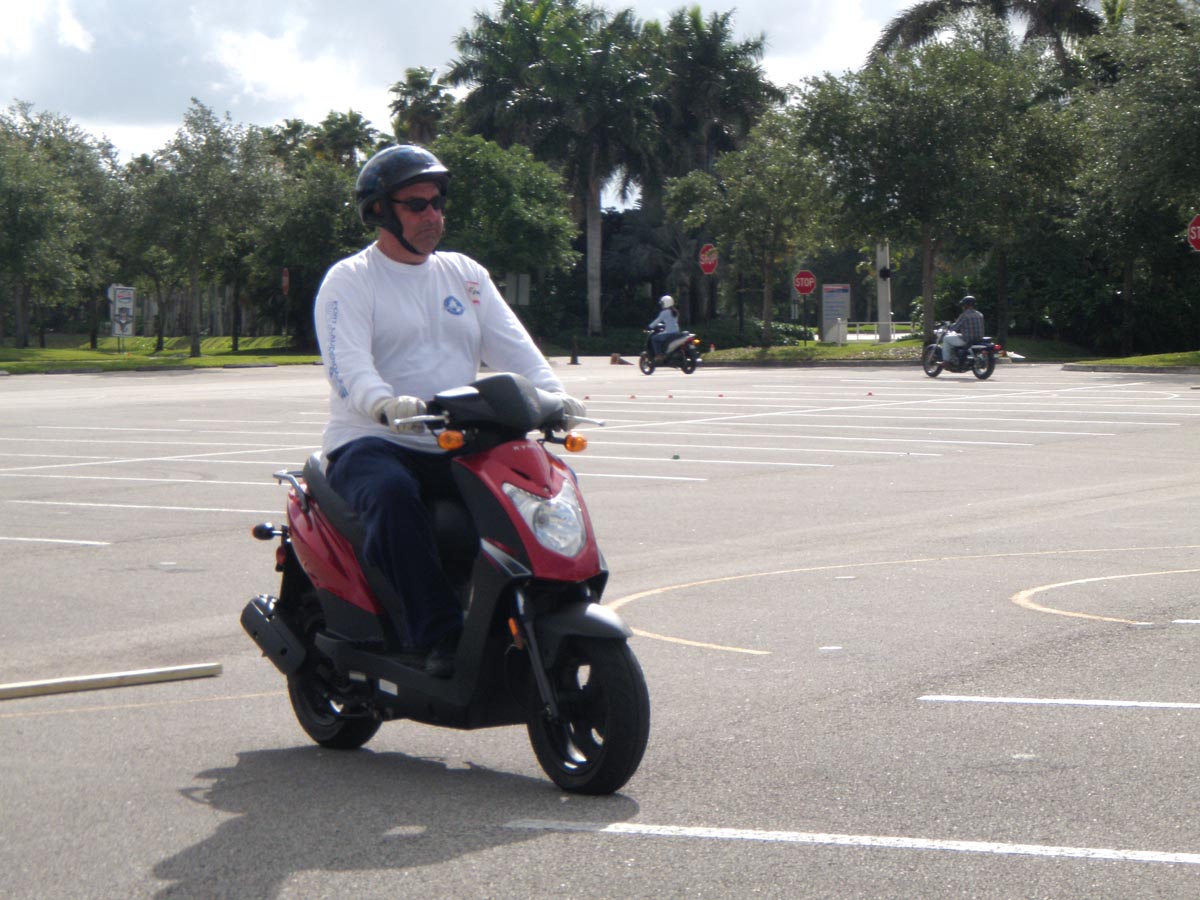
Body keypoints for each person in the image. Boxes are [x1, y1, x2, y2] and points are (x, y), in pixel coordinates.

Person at [313, 144, 586, 678]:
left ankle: (541, 607)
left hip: (456, 439)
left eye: (437, 203)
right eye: (417, 205)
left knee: (540, 483)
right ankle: (436, 637)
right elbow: (346, 365)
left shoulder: (465, 274)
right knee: (393, 496)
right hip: (373, 440)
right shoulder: (351, 278)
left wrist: (553, 397)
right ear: (379, 211)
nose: (432, 215)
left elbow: (515, 349)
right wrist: (383, 404)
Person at [940, 295, 985, 364]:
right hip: (978, 339)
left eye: (963, 305)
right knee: (958, 335)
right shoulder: (980, 314)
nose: (962, 307)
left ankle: (946, 361)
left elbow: (955, 327)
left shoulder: (964, 315)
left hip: (967, 339)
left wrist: (949, 327)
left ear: (966, 305)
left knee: (946, 338)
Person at [647, 295, 681, 360]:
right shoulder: (675, 312)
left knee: (654, 338)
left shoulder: (664, 313)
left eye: (662, 304)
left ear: (665, 303)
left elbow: (657, 321)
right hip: (677, 332)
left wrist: (649, 327)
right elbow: (671, 322)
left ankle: (659, 355)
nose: (661, 305)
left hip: (669, 333)